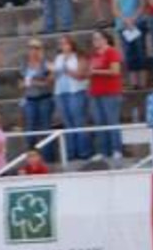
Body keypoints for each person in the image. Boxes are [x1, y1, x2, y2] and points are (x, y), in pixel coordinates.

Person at [52, 34, 91, 161]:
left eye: (65, 43)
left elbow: (81, 75)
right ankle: (71, 153)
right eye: (61, 44)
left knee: (79, 122)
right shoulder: (58, 57)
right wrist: (54, 72)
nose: (63, 46)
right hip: (61, 93)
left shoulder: (79, 57)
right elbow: (54, 77)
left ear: (71, 44)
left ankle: (83, 152)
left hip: (76, 92)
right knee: (68, 124)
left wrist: (66, 69)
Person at [88, 29, 124, 160]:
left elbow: (115, 71)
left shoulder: (112, 52)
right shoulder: (94, 54)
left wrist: (96, 72)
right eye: (94, 39)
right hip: (95, 92)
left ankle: (116, 149)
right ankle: (103, 151)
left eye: (97, 38)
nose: (95, 41)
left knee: (112, 121)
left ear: (105, 39)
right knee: (99, 123)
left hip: (110, 92)